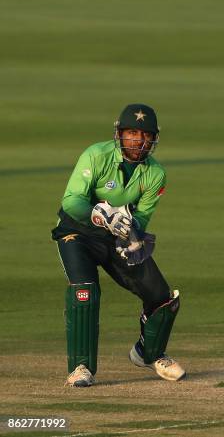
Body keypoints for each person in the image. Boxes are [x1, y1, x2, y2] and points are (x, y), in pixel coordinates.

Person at [52, 104, 185, 387]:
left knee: (162, 297)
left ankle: (149, 353)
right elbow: (72, 200)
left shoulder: (155, 174)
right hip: (77, 233)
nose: (138, 140)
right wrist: (97, 214)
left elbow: (143, 217)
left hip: (116, 238)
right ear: (119, 133)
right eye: (131, 132)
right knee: (84, 292)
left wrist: (130, 227)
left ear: (154, 138)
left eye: (145, 134)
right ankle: (80, 368)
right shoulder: (95, 155)